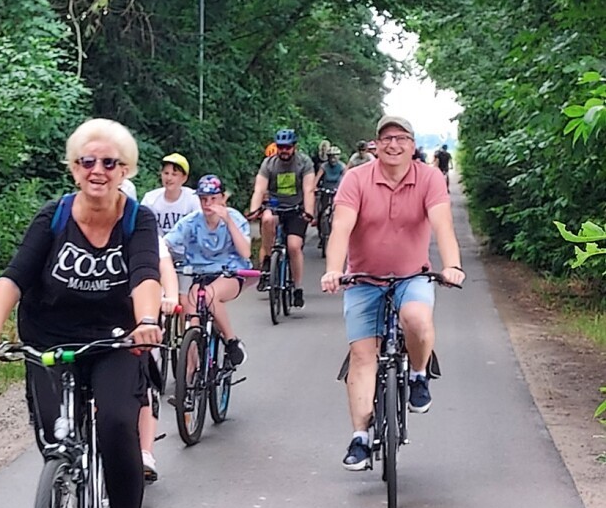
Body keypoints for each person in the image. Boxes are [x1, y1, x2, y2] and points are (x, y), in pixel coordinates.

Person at [0, 118, 162, 508]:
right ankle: (66, 487)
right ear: (75, 169)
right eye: (87, 161)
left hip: (114, 339)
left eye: (109, 163)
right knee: (56, 438)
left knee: (117, 423)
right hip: (49, 338)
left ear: (125, 169)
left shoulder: (137, 219)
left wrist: (148, 322)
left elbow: (144, 274)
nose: (98, 170)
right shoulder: (53, 217)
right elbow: (15, 276)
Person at [321, 114, 466, 470]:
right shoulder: (356, 179)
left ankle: (418, 374)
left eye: (401, 138)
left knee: (416, 317)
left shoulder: (429, 178)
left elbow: (442, 224)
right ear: (375, 145)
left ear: (412, 145)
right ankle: (360, 437)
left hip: (411, 276)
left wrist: (452, 266)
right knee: (361, 356)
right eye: (386, 138)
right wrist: (334, 270)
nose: (393, 144)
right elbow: (340, 227)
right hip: (364, 278)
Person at [164, 174, 251, 366]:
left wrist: (228, 221)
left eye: (213, 199)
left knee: (209, 295)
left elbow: (245, 253)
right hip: (200, 274)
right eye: (203, 199)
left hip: (230, 273)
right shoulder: (191, 222)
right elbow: (167, 242)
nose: (208, 204)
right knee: (191, 318)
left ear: (222, 199)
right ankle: (187, 383)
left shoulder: (235, 218)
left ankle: (231, 341)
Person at [248, 127, 315, 307]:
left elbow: (309, 189)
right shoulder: (269, 164)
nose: (284, 151)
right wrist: (254, 210)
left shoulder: (304, 162)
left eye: (287, 147)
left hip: (296, 209)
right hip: (275, 207)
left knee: (294, 246)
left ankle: (298, 288)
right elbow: (259, 189)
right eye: (280, 147)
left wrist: (309, 211)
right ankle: (268, 259)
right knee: (267, 219)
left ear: (294, 147)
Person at [138, 233, 181, 484]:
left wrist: (171, 297)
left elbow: (165, 266)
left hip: (146, 316)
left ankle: (145, 453)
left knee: (144, 380)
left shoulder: (144, 233)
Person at [141, 152, 200, 233]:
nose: (169, 178)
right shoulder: (150, 199)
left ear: (184, 178)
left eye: (174, 174)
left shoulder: (193, 198)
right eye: (166, 173)